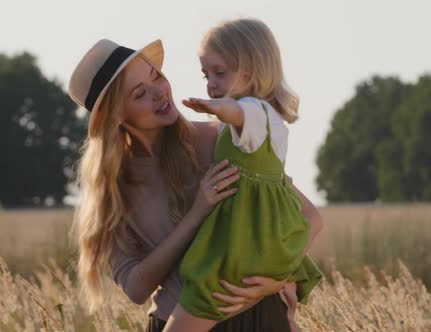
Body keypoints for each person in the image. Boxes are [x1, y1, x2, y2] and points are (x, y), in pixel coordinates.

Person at [68, 37, 323, 332]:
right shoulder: (112, 191)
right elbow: (136, 288)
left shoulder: (221, 140)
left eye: (157, 77)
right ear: (116, 116)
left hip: (260, 317)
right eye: (140, 94)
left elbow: (308, 216)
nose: (159, 93)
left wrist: (278, 278)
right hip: (178, 320)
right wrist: (197, 213)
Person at [163, 18, 323, 331]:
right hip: (266, 241)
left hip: (241, 244)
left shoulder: (255, 112)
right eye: (206, 74)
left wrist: (213, 107)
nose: (211, 81)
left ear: (252, 71)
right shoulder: (265, 120)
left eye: (219, 72)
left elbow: (238, 114)